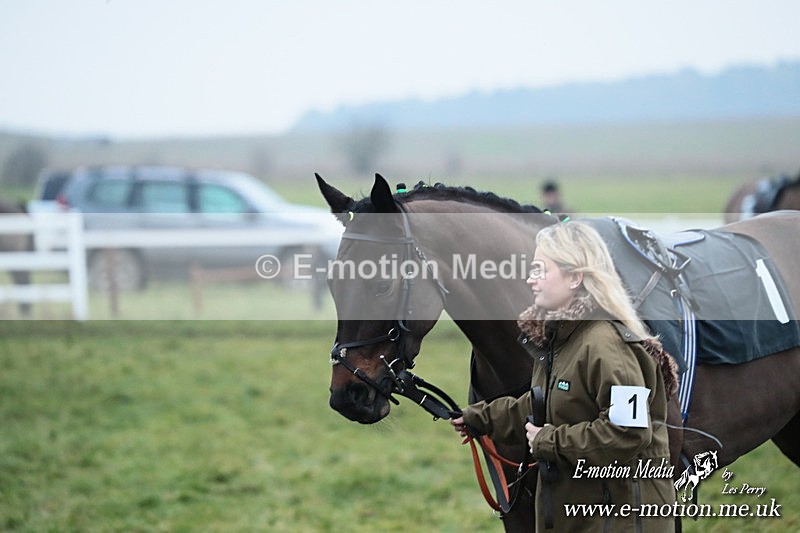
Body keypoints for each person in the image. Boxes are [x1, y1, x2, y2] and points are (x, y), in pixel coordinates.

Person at [451, 221, 678, 532]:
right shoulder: (563, 341)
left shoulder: (608, 346)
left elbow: (628, 433)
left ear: (574, 277)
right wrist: (480, 418)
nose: (530, 279)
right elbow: (546, 403)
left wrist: (549, 441)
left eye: (540, 270)